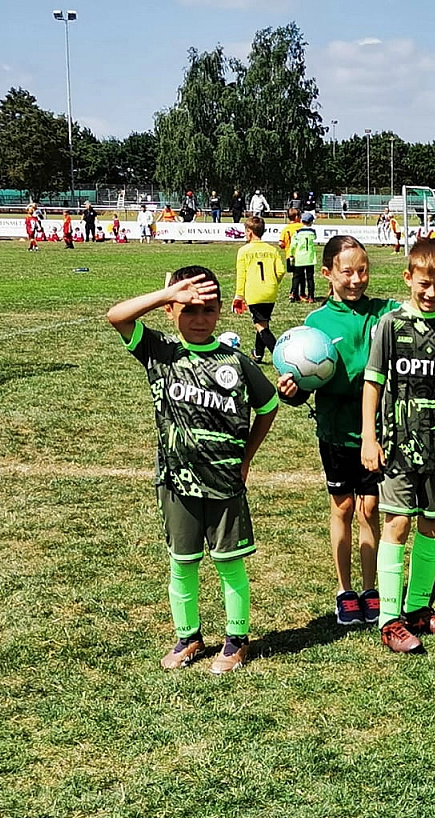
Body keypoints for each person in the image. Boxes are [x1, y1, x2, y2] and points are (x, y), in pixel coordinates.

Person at [105, 266, 279, 674]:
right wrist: (166, 293)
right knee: (182, 564)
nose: (199, 319)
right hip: (176, 482)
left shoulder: (235, 362)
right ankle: (188, 637)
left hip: (224, 483)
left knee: (229, 563)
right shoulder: (160, 351)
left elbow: (268, 406)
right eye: (188, 309)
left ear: (220, 311)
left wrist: (246, 458)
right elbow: (117, 316)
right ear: (170, 311)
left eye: (208, 309)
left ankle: (237, 640)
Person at [277, 236, 402, 626]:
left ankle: (371, 588)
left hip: (376, 433)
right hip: (335, 433)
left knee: (371, 508)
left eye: (363, 270)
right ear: (327, 274)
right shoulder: (315, 324)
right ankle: (345, 590)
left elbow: (425, 310)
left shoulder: (385, 312)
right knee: (343, 507)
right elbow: (304, 385)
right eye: (347, 272)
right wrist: (292, 392)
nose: (356, 279)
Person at [361, 238, 435, 654]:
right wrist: (369, 437)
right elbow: (373, 383)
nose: (431, 292)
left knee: (434, 523)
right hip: (398, 443)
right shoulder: (390, 325)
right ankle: (390, 619)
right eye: (424, 283)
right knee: (398, 524)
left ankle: (419, 608)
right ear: (408, 278)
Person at [233, 215, 285, 363]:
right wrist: (273, 283)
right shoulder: (272, 250)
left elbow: (241, 275)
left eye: (245, 231)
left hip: (254, 292)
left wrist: (239, 296)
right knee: (263, 322)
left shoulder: (244, 251)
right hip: (270, 291)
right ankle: (258, 353)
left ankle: (281, 357)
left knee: (261, 327)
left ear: (249, 232)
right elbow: (281, 271)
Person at [290, 212, 318, 303]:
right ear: (311, 222)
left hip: (299, 258)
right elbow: (315, 238)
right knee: (310, 278)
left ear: (302, 221)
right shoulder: (313, 232)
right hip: (310, 258)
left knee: (297, 277)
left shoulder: (298, 232)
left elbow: (293, 245)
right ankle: (311, 296)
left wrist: (291, 254)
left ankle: (293, 294)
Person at [279, 208, 302, 302]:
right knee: (298, 275)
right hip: (300, 255)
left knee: (296, 274)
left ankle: (297, 294)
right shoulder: (301, 227)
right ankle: (293, 293)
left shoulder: (286, 229)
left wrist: (286, 246)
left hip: (289, 255)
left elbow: (281, 243)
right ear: (297, 217)